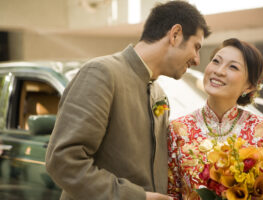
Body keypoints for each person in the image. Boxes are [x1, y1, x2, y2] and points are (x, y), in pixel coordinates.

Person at [45, 1, 210, 200]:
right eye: (196, 47)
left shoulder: (158, 93)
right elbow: (64, 162)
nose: (197, 60)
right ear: (175, 34)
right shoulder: (102, 73)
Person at [168, 38, 263, 199]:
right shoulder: (178, 129)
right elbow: (170, 192)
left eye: (233, 67)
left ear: (249, 86)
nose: (219, 71)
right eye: (216, 61)